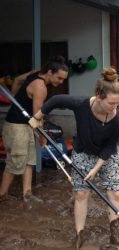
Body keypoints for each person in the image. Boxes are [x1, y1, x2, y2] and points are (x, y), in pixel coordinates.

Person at [29, 67, 119, 249]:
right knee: (81, 193)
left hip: (107, 156)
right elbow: (55, 100)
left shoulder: (116, 120)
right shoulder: (81, 104)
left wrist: (96, 169)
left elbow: (109, 147)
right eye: (111, 103)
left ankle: (115, 239)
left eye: (118, 103)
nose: (115, 108)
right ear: (99, 97)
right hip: (83, 152)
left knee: (115, 193)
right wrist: (37, 117)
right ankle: (79, 235)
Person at [0, 56, 68, 205]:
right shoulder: (40, 87)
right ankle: (2, 195)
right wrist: (42, 137)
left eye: (64, 79)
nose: (61, 82)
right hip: (17, 127)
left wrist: (15, 99)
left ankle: (27, 194)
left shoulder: (36, 72)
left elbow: (18, 80)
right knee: (16, 162)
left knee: (29, 160)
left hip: (26, 125)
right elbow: (38, 116)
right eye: (59, 78)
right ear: (50, 72)